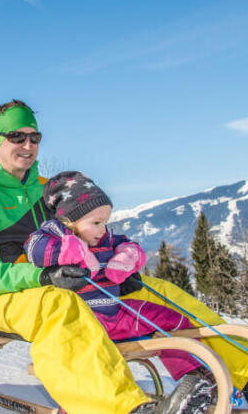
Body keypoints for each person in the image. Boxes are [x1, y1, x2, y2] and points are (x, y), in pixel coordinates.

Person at [0, 100, 248, 414]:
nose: (28, 145)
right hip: (1, 297)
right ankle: (124, 407)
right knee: (58, 306)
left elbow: (88, 235)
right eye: (17, 137)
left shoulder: (47, 189)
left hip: (72, 282)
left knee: (159, 291)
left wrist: (114, 267)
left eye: (35, 137)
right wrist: (42, 276)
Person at [25, 171, 216, 402]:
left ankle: (195, 379)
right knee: (86, 368)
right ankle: (82, 406)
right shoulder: (55, 233)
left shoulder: (105, 238)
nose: (102, 229)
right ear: (70, 221)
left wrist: (127, 255)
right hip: (83, 325)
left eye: (105, 222)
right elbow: (34, 248)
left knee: (172, 320)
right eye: (96, 223)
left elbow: (129, 245)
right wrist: (70, 250)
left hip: (116, 314)